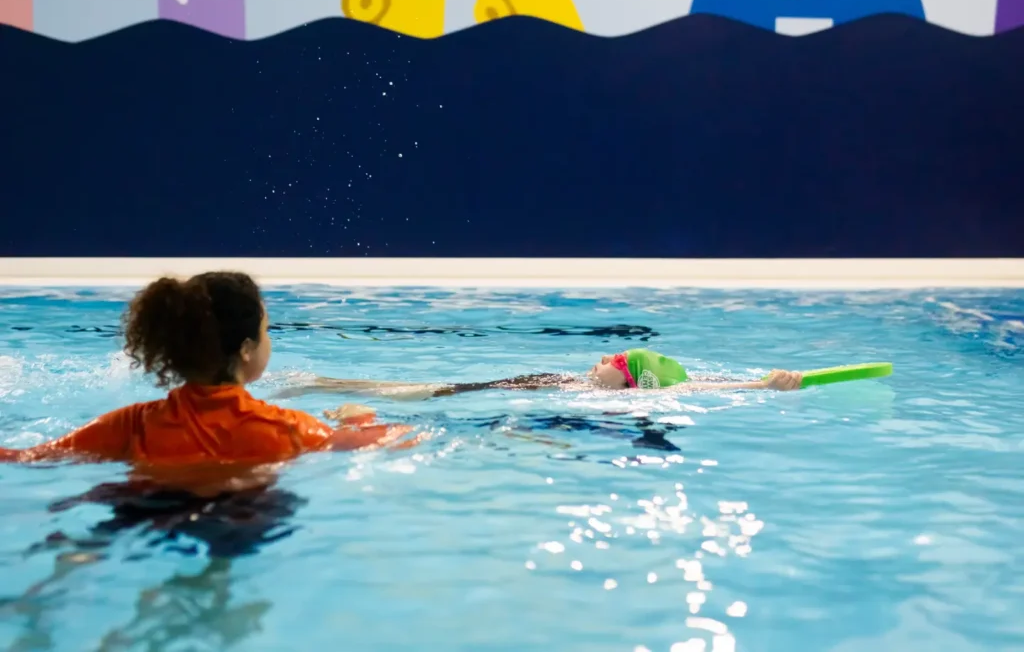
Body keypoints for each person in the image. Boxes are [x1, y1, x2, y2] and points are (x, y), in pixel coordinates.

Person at [0, 272, 416, 467]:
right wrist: (358, 416)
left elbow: (26, 457)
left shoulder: (131, 425)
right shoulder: (286, 428)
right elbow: (397, 439)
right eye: (267, 330)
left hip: (139, 512)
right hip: (240, 522)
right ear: (247, 349)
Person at [273, 348, 803, 401]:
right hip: (494, 389)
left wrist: (763, 384)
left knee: (414, 392)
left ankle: (327, 383)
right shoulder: (586, 388)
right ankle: (327, 382)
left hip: (475, 396)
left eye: (616, 362)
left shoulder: (615, 401)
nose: (602, 359)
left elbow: (693, 388)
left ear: (632, 383)